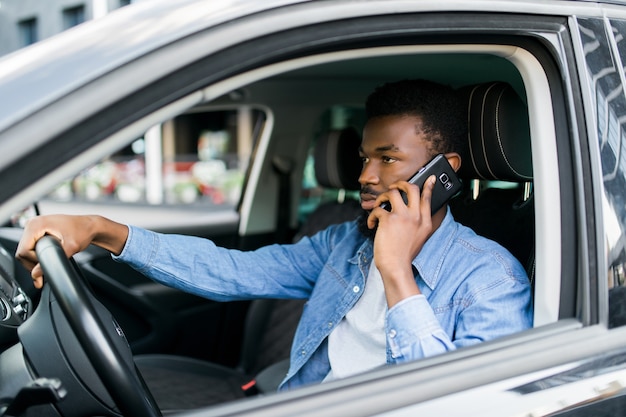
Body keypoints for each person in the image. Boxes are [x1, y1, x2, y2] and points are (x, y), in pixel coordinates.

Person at [16, 79, 532, 391]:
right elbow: (234, 270)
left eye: (389, 159)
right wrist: (101, 229)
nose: (366, 176)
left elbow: (458, 400)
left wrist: (397, 272)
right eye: (364, 158)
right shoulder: (344, 244)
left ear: (445, 170)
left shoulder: (490, 278)